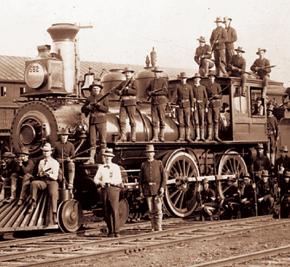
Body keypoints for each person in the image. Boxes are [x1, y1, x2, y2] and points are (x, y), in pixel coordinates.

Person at [93, 148, 123, 237]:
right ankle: (110, 231)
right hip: (104, 189)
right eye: (106, 157)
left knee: (114, 210)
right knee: (106, 211)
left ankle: (116, 231)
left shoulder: (116, 167)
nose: (107, 158)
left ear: (112, 158)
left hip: (113, 189)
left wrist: (111, 182)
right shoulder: (101, 168)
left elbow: (119, 180)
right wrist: (100, 182)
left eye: (109, 157)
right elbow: (95, 179)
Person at [29, 143, 59, 225]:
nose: (45, 153)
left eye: (47, 151)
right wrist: (40, 174)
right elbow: (39, 173)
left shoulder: (55, 162)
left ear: (50, 152)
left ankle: (54, 214)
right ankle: (33, 202)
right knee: (34, 183)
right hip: (43, 181)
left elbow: (55, 176)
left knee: (53, 193)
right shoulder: (41, 162)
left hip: (52, 181)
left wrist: (48, 174)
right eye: (44, 151)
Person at [139, 144, 167, 231]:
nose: (150, 154)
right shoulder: (143, 165)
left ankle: (159, 227)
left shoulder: (159, 163)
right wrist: (141, 191)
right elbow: (141, 180)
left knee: (158, 210)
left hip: (157, 190)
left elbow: (164, 177)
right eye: (148, 153)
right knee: (151, 210)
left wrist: (162, 187)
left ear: (153, 154)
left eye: (151, 152)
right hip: (148, 190)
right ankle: (153, 227)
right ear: (146, 154)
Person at [81, 82, 109, 164]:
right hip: (92, 121)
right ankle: (91, 159)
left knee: (103, 140)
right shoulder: (89, 98)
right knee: (92, 141)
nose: (95, 90)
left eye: (97, 88)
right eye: (94, 88)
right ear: (91, 90)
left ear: (100, 89)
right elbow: (83, 109)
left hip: (101, 120)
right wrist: (88, 107)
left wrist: (98, 106)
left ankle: (104, 159)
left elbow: (106, 109)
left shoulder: (104, 97)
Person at [114, 68, 137, 142]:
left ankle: (133, 137)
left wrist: (128, 90)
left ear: (132, 74)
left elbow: (135, 92)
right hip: (123, 103)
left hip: (131, 102)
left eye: (129, 73)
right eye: (126, 73)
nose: (127, 74)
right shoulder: (123, 83)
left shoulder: (134, 82)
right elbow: (115, 90)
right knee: (122, 120)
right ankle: (123, 136)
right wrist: (119, 92)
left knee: (132, 120)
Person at [147, 67, 168, 142]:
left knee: (162, 119)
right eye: (155, 72)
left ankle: (161, 136)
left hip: (161, 101)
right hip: (153, 102)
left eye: (158, 72)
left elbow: (165, 92)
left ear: (160, 73)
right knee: (154, 120)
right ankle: (155, 137)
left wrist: (155, 92)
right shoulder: (152, 81)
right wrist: (149, 92)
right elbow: (147, 90)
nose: (156, 74)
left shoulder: (164, 81)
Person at [173, 72, 194, 143]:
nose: (183, 80)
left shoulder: (189, 87)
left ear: (186, 79)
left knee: (187, 122)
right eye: (182, 78)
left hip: (187, 106)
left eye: (184, 78)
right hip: (180, 106)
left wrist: (192, 106)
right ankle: (181, 137)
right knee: (181, 122)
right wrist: (171, 102)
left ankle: (188, 137)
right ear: (180, 79)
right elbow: (174, 95)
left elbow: (191, 97)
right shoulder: (178, 86)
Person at [206, 72, 222, 142]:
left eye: (212, 77)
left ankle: (216, 136)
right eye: (210, 77)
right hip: (210, 105)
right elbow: (206, 96)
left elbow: (221, 96)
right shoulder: (207, 86)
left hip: (216, 105)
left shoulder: (217, 85)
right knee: (209, 121)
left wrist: (216, 96)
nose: (211, 78)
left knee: (216, 121)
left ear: (214, 78)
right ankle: (209, 136)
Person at [192, 73, 208, 141]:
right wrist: (193, 105)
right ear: (194, 80)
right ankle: (197, 136)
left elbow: (206, 98)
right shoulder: (192, 88)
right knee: (196, 121)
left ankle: (202, 137)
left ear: (200, 79)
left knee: (202, 121)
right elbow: (191, 97)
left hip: (202, 106)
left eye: (198, 78)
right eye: (195, 78)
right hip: (195, 106)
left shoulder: (203, 87)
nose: (197, 80)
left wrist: (206, 107)